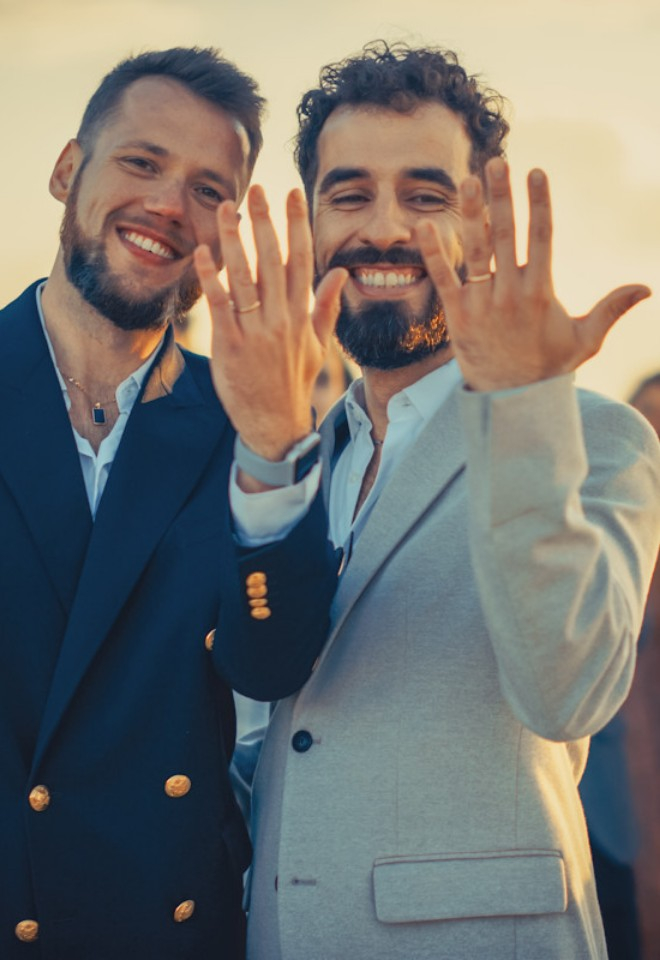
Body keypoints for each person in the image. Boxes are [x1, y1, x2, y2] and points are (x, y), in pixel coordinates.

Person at [205, 42, 660, 959]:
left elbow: (565, 693)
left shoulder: (600, 438)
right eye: (349, 194)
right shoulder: (285, 448)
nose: (383, 229)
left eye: (425, 196)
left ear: (482, 220)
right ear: (310, 226)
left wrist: (517, 405)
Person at [0, 46, 346, 960]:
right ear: (68, 170)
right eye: (142, 163)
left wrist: (275, 442)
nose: (167, 207)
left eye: (207, 190)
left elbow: (270, 665)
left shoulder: (245, 423)